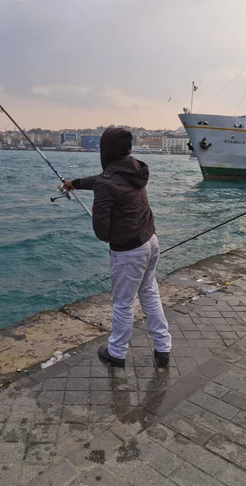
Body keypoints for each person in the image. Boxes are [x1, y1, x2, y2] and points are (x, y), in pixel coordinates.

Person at [64, 127, 172, 367]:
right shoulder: (134, 168)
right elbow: (103, 181)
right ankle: (163, 347)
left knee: (123, 302)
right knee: (149, 293)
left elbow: (101, 230)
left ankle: (117, 352)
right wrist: (75, 183)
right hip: (150, 241)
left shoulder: (109, 182)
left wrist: (108, 236)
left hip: (130, 251)